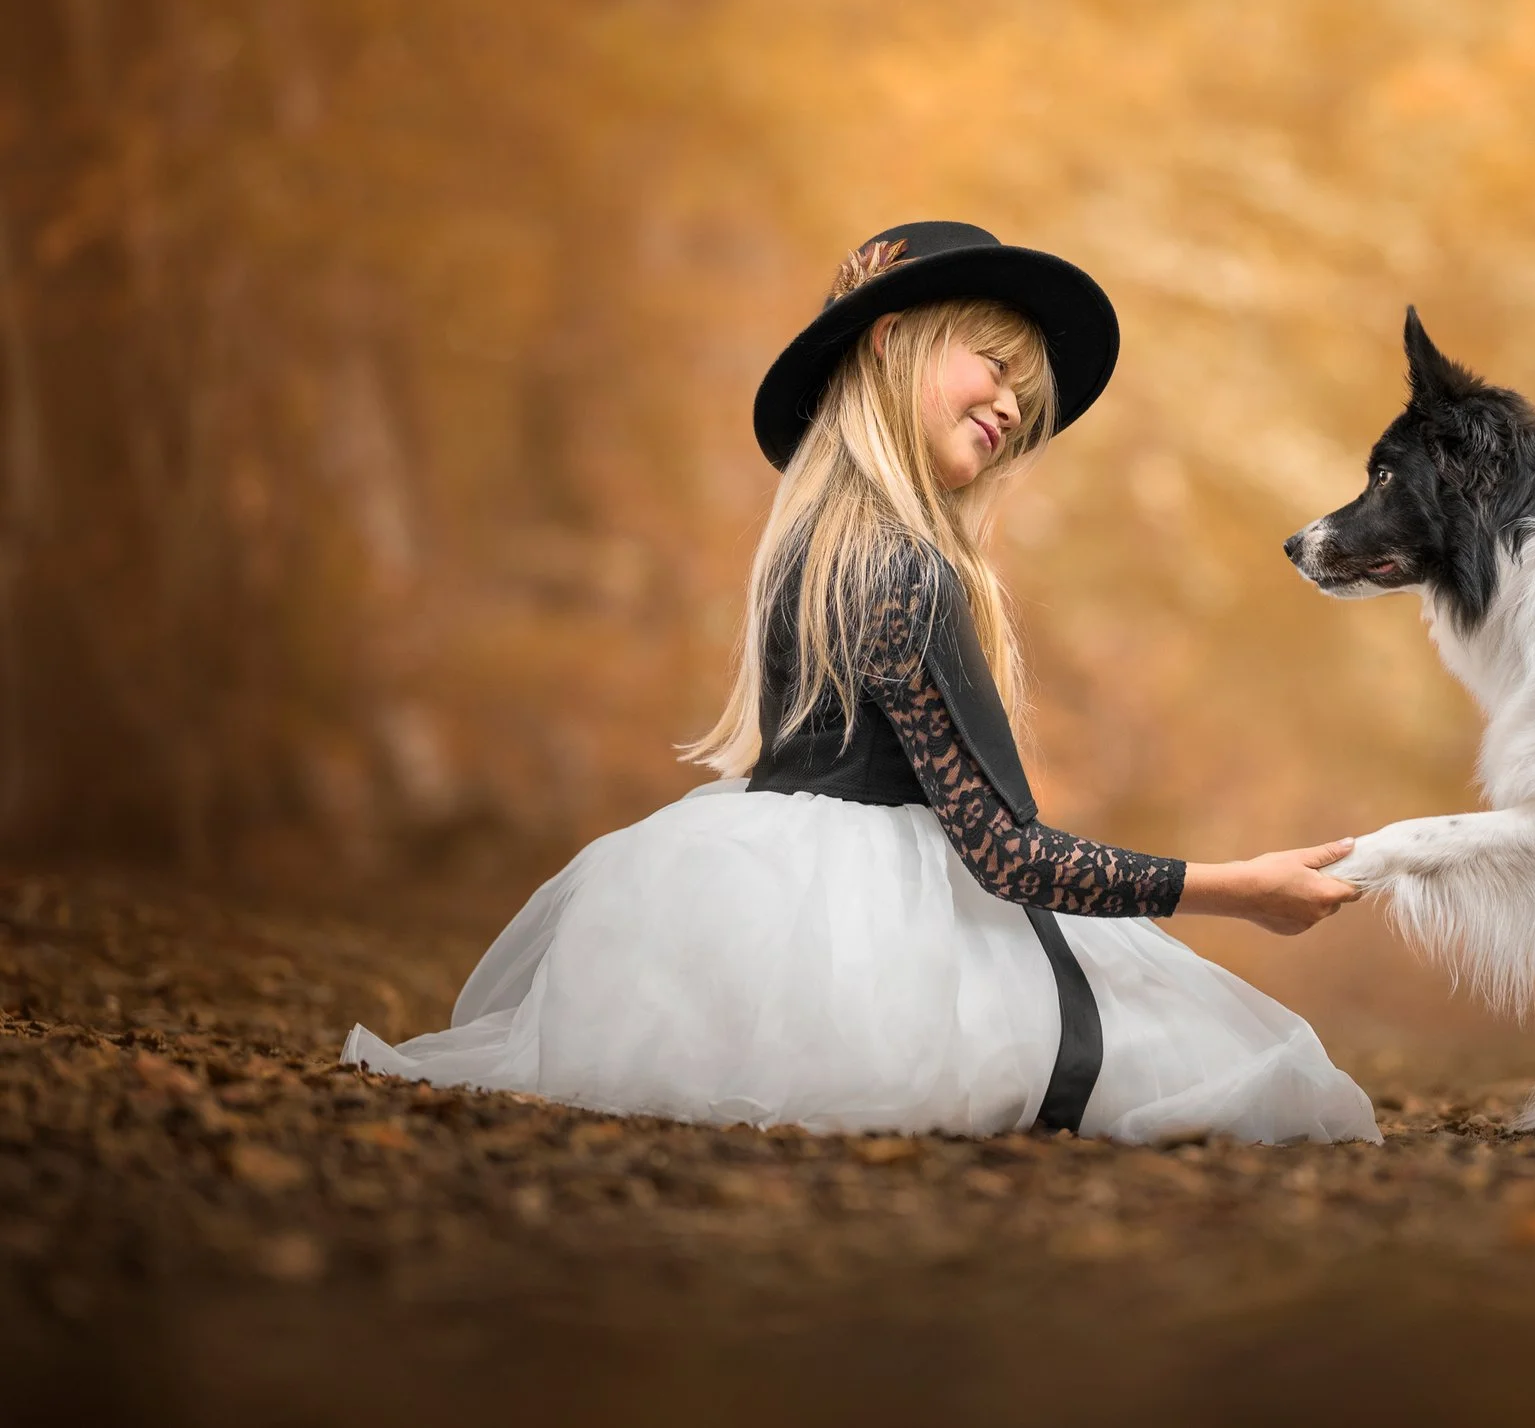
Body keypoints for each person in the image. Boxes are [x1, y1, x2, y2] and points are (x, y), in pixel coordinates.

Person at [342, 222, 1379, 1144]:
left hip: (747, 896)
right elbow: (1006, 854)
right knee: (1257, 1080)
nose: (1014, 405)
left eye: (1027, 390)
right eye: (994, 363)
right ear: (892, 340)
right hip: (878, 938)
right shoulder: (903, 569)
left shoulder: (820, 553)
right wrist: (1238, 888)